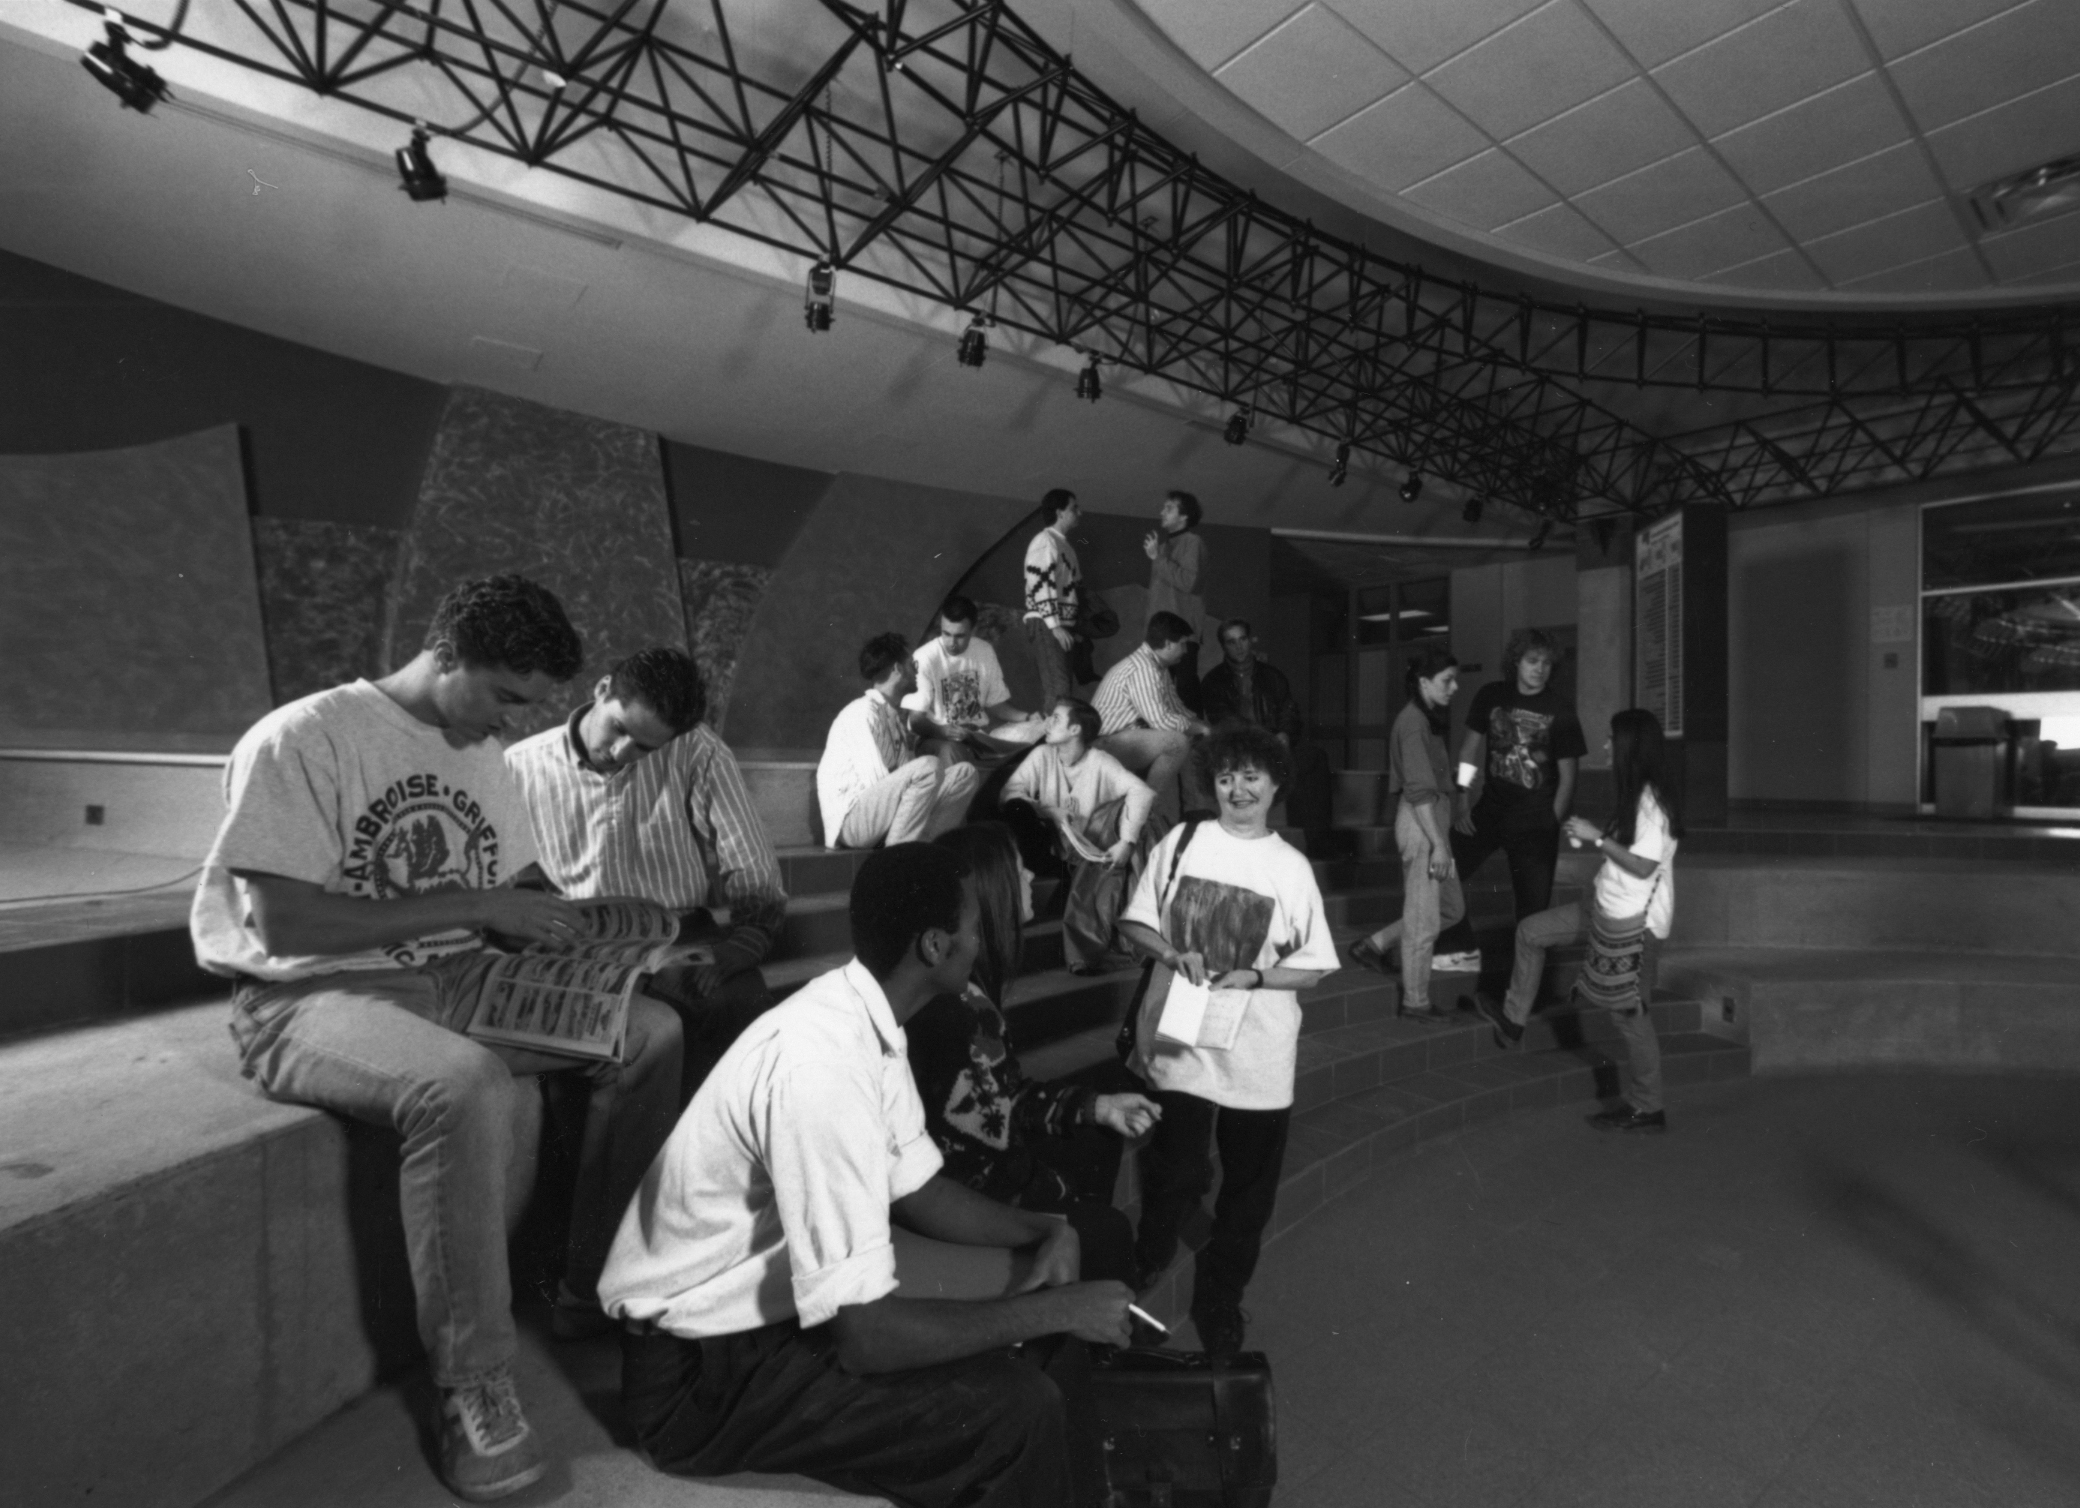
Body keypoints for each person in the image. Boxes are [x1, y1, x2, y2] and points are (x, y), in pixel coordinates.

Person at [191, 575, 684, 1502]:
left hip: (457, 974)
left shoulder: (480, 749)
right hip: (306, 998)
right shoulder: (305, 736)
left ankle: (594, 1287)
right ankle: (475, 1384)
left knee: (648, 1030)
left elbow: (517, 886)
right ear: (447, 653)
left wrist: (601, 937)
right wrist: (476, 904)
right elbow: (284, 922)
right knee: (461, 1086)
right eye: (501, 698)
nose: (504, 729)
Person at [603, 843, 1133, 1508]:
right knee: (1017, 1409)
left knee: (1050, 1317)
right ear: (937, 947)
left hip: (761, 1322)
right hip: (699, 1382)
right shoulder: (820, 1069)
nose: (979, 938)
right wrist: (1057, 1307)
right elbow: (867, 1338)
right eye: (972, 926)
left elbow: (916, 1188)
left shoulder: (863, 1013)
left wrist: (1044, 1228)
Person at [1117, 725, 1338, 1357]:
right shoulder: (1185, 841)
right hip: (1181, 1044)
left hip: (1258, 1055)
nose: (1237, 789)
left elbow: (1316, 965)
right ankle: (1151, 1256)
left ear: (1274, 786)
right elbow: (1136, 921)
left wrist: (1259, 975)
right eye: (1225, 777)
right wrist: (1170, 951)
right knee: (1173, 1169)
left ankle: (1220, 1298)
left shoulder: (1290, 867)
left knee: (1248, 1194)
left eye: (1251, 777)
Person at [506, 645, 784, 1096]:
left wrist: (746, 941)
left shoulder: (696, 749)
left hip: (681, 933)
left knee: (738, 1007)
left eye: (645, 747)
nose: (621, 752)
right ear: (601, 691)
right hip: (581, 942)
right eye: (618, 729)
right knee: (569, 1043)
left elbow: (748, 855)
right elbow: (514, 884)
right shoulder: (520, 765)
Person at [905, 823, 1162, 1287]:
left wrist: (1095, 1106)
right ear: (991, 888)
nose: (1028, 877)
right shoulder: (963, 1008)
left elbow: (1000, 1090)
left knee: (1096, 1130)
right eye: (1019, 869)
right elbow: (984, 1154)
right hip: (960, 1201)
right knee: (1108, 1232)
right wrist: (1054, 1194)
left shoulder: (966, 990)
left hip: (966, 1172)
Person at [1471, 710, 1682, 1133]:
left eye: (1611, 739)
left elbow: (1642, 867)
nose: (1605, 745)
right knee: (1531, 931)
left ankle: (1648, 1106)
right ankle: (1513, 1020)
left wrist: (1596, 838)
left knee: (1630, 1016)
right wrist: (1596, 839)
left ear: (1629, 747)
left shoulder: (1651, 805)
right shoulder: (1634, 796)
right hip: (1601, 907)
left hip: (1634, 927)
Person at [1428, 628, 1586, 975]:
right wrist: (1464, 800)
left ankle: (1524, 989)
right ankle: (1461, 946)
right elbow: (1469, 751)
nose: (1539, 669)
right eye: (1532, 661)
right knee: (1442, 868)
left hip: (1535, 821)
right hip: (1491, 810)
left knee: (1532, 914)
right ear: (1516, 661)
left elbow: (1569, 774)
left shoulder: (1560, 708)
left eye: (1546, 663)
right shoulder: (1491, 695)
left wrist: (1552, 821)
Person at [1000, 696, 1159, 971]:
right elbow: (1009, 793)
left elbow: (1142, 792)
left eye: (1057, 719)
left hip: (1090, 854)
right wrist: (1048, 810)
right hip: (1051, 852)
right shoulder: (1042, 755)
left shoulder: (1100, 761)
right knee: (1016, 809)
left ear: (1075, 730)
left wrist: (1126, 840)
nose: (1048, 724)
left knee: (1143, 822)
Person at [1351, 646, 1466, 1020]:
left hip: (1432, 821)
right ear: (1423, 682)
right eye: (1447, 680)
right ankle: (1416, 1001)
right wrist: (1438, 845)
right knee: (1424, 921)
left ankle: (1374, 944)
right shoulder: (1413, 722)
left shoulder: (1426, 718)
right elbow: (1418, 792)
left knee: (1450, 908)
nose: (1455, 687)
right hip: (1422, 825)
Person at [818, 632, 981, 849]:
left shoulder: (892, 717)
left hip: (883, 814)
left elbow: (904, 782)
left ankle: (920, 848)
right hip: (853, 823)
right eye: (913, 664)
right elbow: (875, 783)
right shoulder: (862, 713)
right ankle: (897, 857)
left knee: (965, 774)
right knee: (928, 766)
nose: (917, 671)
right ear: (897, 669)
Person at [1094, 611, 1211, 826]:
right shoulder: (1143, 668)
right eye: (1183, 644)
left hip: (1126, 739)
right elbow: (1162, 721)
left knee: (1190, 736)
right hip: (1104, 745)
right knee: (1177, 742)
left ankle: (1196, 811)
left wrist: (1202, 725)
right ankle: (1145, 808)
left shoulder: (1158, 667)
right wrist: (1199, 729)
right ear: (1167, 644)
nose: (1185, 651)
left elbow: (1176, 708)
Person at [904, 593, 1044, 768]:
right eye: (946, 633)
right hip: (935, 737)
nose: (952, 643)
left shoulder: (985, 651)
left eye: (960, 636)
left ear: (973, 630)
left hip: (976, 735)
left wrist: (1027, 717)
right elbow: (916, 720)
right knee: (953, 749)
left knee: (1037, 737)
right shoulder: (925, 657)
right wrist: (942, 731)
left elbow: (995, 703)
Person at [1143, 489, 1207, 714]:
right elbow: (1157, 597)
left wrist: (1157, 559)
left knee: (1186, 691)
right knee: (1161, 693)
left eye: (1169, 508)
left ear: (1184, 515)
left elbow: (1188, 582)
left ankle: (1198, 741)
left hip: (1182, 633)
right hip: (1161, 634)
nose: (1162, 511)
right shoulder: (1161, 549)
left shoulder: (1193, 542)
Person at [1024, 488, 1084, 710]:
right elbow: (1041, 584)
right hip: (1047, 624)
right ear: (1059, 512)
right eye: (1073, 508)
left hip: (1059, 626)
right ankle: (1053, 743)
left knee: (1063, 694)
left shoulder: (1063, 545)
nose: (1079, 512)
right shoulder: (1045, 541)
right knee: (1059, 695)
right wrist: (1054, 625)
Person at [1199, 618, 1302, 744]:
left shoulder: (1273, 676)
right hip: (1234, 746)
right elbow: (1223, 720)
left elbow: (1288, 710)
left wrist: (1284, 733)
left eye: (1243, 639)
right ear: (1223, 647)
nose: (1239, 647)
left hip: (1272, 744)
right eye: (1232, 642)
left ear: (1249, 641)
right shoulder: (1213, 681)